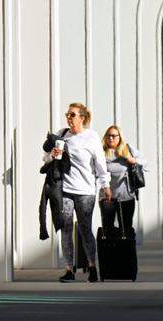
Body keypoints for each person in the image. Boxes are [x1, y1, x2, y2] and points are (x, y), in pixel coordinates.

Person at [48, 102, 111, 283]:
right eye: (67, 114)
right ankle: (69, 269)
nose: (69, 117)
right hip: (65, 190)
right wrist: (52, 155)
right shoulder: (62, 135)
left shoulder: (91, 137)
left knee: (85, 229)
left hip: (85, 191)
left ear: (82, 117)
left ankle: (92, 266)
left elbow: (100, 162)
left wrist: (105, 185)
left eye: (72, 114)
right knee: (65, 228)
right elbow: (48, 158)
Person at [99, 125, 145, 237]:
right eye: (108, 136)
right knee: (108, 230)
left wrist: (131, 159)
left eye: (114, 136)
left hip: (126, 196)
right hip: (107, 197)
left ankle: (126, 249)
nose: (111, 138)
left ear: (120, 137)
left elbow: (144, 162)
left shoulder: (127, 149)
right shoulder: (100, 152)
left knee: (126, 229)